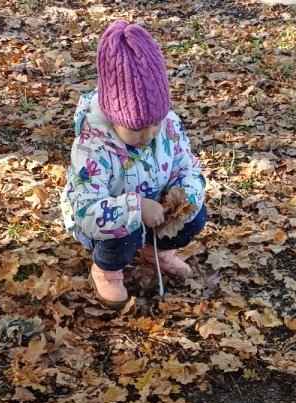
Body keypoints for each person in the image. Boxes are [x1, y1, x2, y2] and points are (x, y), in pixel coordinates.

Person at [61, 21, 206, 308]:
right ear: (112, 117)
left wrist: (184, 196)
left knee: (195, 216)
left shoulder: (168, 126)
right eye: (137, 128)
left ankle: (158, 252)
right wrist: (135, 209)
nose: (149, 134)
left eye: (155, 123)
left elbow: (187, 167)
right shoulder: (93, 146)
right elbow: (85, 210)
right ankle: (107, 270)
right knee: (122, 237)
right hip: (110, 219)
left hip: (157, 210)